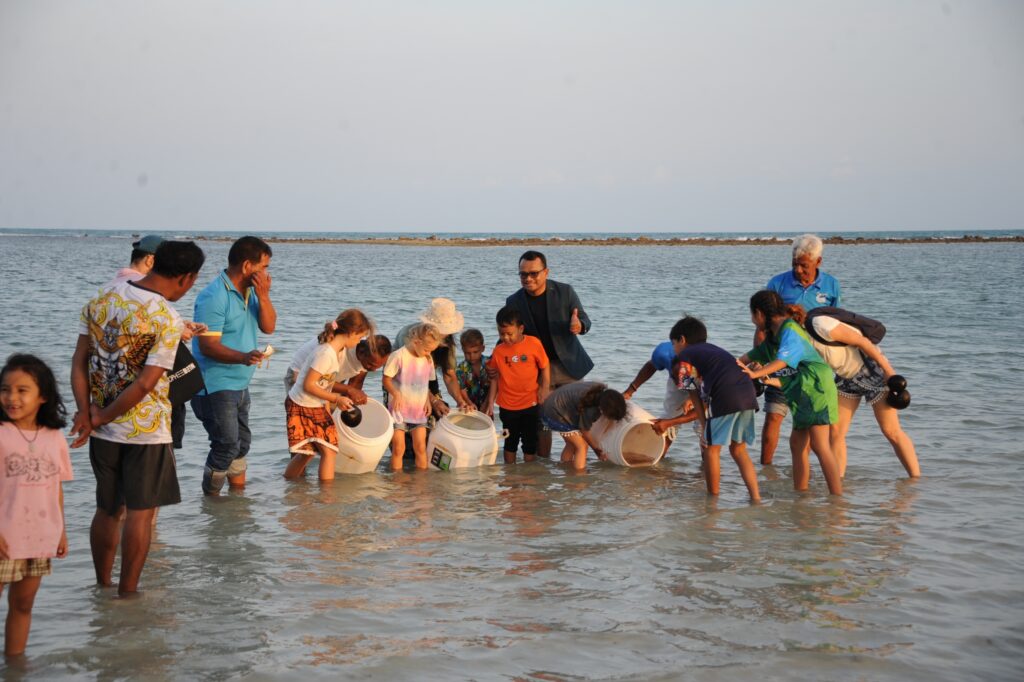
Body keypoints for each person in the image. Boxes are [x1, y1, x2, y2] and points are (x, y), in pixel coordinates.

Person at [70, 241, 205, 594]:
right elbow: (146, 384)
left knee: (107, 509)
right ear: (187, 278)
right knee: (140, 513)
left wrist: (86, 412)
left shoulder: (102, 297)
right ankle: (128, 593)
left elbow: (79, 360)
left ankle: (102, 586)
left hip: (102, 429)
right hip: (145, 431)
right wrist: (101, 416)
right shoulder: (166, 316)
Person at [191, 236, 277, 495]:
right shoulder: (214, 296)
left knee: (242, 444)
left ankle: (237, 500)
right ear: (247, 265)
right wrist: (242, 357)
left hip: (240, 384)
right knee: (226, 445)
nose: (266, 274)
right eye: (264, 267)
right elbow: (207, 346)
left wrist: (264, 296)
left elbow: (269, 327)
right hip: (214, 385)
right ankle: (212, 501)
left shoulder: (251, 292)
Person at [794, 306, 920, 479]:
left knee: (891, 431)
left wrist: (889, 372)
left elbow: (863, 342)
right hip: (845, 377)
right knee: (836, 432)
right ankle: (838, 482)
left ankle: (915, 480)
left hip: (873, 372)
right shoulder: (797, 340)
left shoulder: (820, 323)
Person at [0, 355, 72, 657]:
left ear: (43, 396)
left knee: (23, 604)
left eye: (22, 390)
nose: (12, 398)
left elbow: (55, 487)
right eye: (5, 389)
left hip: (38, 536)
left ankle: (15, 667)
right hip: (3, 537)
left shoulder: (54, 437)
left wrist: (61, 531)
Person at [738, 290, 843, 496]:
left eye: (752, 315)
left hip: (816, 388)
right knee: (796, 444)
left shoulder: (790, 330)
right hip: (800, 391)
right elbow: (746, 358)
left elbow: (782, 361)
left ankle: (837, 499)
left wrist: (755, 374)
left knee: (820, 445)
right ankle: (801, 495)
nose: (752, 321)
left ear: (759, 313)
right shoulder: (773, 337)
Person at [652, 318, 761, 502]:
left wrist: (704, 426)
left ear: (682, 340)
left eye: (674, 343)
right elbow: (698, 395)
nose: (674, 349)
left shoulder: (684, 357)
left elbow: (692, 393)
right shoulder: (713, 350)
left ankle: (712, 500)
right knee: (738, 450)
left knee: (711, 450)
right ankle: (756, 498)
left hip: (725, 396)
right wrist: (704, 425)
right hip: (748, 395)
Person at [758, 234, 842, 465]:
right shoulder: (777, 284)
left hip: (814, 368)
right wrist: (762, 362)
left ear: (818, 262)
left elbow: (836, 326)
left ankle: (811, 473)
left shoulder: (831, 286)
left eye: (804, 265)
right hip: (781, 362)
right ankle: (766, 471)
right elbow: (762, 327)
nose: (798, 270)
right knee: (774, 416)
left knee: (814, 427)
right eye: (794, 264)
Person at [505, 251, 593, 457]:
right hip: (537, 370)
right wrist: (495, 362)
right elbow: (508, 336)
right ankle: (544, 467)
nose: (528, 278)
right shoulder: (514, 301)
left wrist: (579, 325)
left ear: (546, 272)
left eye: (533, 273)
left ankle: (575, 463)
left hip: (568, 366)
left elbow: (585, 320)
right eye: (523, 274)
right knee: (542, 421)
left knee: (576, 417)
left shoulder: (565, 291)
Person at [283, 310, 374, 481]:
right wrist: (337, 399)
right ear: (351, 332)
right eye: (360, 337)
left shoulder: (336, 352)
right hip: (302, 404)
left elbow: (326, 385)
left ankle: (290, 484)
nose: (359, 341)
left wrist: (328, 411)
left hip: (313, 404)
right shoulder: (325, 354)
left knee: (308, 453)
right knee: (327, 450)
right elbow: (309, 385)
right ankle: (326, 494)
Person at [483, 307, 551, 464]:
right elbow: (494, 378)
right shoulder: (499, 351)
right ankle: (509, 474)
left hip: (531, 402)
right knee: (510, 441)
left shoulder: (534, 344)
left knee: (530, 442)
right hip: (507, 405)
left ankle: (528, 475)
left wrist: (545, 387)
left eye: (509, 334)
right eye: (501, 334)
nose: (505, 338)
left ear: (521, 329)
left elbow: (545, 365)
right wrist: (491, 403)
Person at [623, 322, 700, 458]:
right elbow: (651, 366)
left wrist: (690, 398)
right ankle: (656, 457)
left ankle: (706, 465)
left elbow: (702, 407)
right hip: (684, 378)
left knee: (704, 431)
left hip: (701, 382)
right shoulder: (664, 353)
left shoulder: (702, 362)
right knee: (666, 421)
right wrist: (630, 390)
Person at [393, 298, 471, 415]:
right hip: (399, 379)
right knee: (405, 417)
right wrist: (434, 401)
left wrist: (460, 401)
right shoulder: (409, 337)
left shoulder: (447, 342)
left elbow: (449, 375)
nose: (444, 334)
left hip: (426, 378)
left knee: (438, 415)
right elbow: (411, 377)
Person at [383, 323, 443, 471]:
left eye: (431, 350)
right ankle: (397, 480)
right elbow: (386, 379)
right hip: (398, 410)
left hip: (418, 410)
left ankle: (421, 480)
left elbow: (425, 383)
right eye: (427, 349)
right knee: (399, 448)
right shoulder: (398, 356)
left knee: (421, 447)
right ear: (416, 342)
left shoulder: (427, 358)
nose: (429, 353)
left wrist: (428, 401)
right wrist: (395, 393)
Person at [540, 382, 626, 470]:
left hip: (551, 406)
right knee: (582, 446)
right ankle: (579, 475)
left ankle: (566, 469)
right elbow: (584, 432)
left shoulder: (599, 391)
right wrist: (596, 450)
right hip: (554, 413)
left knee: (572, 444)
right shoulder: (591, 410)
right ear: (602, 409)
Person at [285, 334, 392, 402]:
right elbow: (318, 382)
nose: (373, 369)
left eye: (378, 367)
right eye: (371, 365)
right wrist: (349, 390)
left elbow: (355, 385)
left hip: (329, 378)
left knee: (333, 418)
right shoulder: (337, 351)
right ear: (360, 352)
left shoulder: (370, 356)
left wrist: (355, 398)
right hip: (300, 376)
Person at [454, 328, 490, 411]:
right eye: (467, 353)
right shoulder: (461, 368)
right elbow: (461, 389)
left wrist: (486, 404)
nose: (471, 356)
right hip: (467, 406)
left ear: (483, 348)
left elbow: (494, 385)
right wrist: (469, 403)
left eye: (475, 352)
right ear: (463, 350)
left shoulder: (489, 364)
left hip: (487, 405)